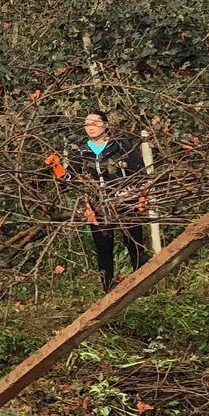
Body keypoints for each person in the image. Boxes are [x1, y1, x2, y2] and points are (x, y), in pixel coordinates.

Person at [66, 111, 147, 290]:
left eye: (96, 122)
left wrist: (141, 197)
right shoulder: (80, 152)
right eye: (88, 124)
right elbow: (71, 180)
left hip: (125, 202)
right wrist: (86, 206)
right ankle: (108, 290)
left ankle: (144, 287)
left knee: (134, 244)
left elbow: (140, 173)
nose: (92, 127)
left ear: (106, 125)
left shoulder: (120, 146)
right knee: (104, 250)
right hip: (98, 206)